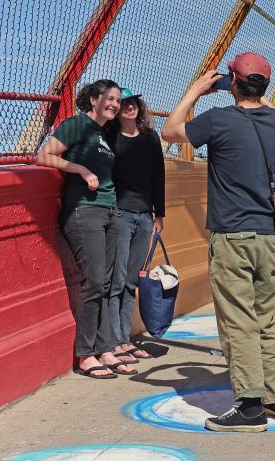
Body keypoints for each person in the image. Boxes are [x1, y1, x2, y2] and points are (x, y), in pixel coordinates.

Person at [161, 52, 275, 433]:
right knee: (265, 317)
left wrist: (196, 91)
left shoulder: (218, 120)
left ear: (231, 82)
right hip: (266, 237)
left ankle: (250, 406)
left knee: (238, 321)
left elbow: (170, 131)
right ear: (264, 87)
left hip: (232, 235)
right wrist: (257, 93)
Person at [36, 80, 136, 379]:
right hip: (84, 211)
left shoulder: (102, 134)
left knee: (106, 282)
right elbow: (44, 156)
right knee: (94, 282)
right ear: (93, 99)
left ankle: (105, 349)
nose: (115, 104)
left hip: (108, 211)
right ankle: (86, 354)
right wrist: (81, 169)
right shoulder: (77, 124)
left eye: (118, 100)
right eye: (109, 98)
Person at [107, 88, 165, 363]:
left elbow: (158, 177)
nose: (129, 107)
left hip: (145, 217)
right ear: (116, 110)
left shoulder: (151, 138)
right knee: (116, 279)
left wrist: (159, 215)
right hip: (119, 215)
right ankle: (114, 341)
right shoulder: (109, 137)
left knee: (131, 281)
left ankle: (125, 339)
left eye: (133, 102)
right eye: (123, 103)